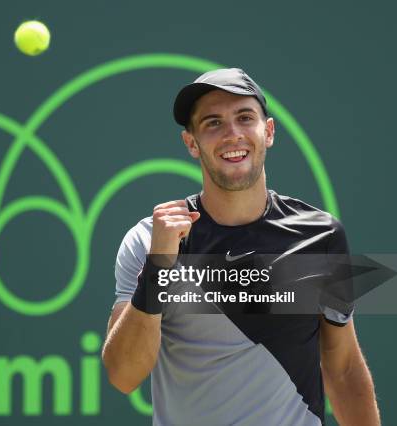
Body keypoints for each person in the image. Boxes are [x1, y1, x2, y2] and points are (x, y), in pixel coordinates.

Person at [101, 68, 380, 426]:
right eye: (213, 123)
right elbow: (123, 375)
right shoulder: (148, 240)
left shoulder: (321, 238)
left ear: (269, 132)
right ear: (192, 143)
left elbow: (342, 370)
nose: (232, 134)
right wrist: (157, 269)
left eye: (245, 118)